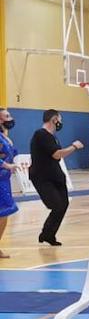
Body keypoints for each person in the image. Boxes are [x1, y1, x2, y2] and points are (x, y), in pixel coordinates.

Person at [30, 109, 84, 246]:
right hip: (43, 177)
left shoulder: (52, 136)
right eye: (60, 119)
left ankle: (48, 235)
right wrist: (74, 146)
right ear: (54, 119)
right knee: (56, 205)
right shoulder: (41, 134)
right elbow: (56, 154)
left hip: (56, 175)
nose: (61, 122)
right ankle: (46, 233)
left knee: (63, 205)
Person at [0, 109, 17, 258]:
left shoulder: (4, 136)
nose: (10, 118)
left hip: (5, 179)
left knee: (4, 215)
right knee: (3, 213)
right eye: (7, 116)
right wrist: (7, 165)